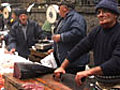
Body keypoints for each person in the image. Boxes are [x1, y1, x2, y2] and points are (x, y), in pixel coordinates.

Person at [54, 0, 120, 88]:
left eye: (105, 11)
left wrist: (89, 72)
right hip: (100, 82)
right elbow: (80, 48)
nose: (100, 15)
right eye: (99, 12)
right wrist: (62, 67)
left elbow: (116, 62)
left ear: (115, 15)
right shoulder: (97, 31)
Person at [48, 0, 89, 74]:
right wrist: (54, 50)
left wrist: (61, 37)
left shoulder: (77, 18)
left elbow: (78, 33)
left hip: (74, 63)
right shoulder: (62, 19)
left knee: (72, 83)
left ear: (64, 8)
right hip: (64, 62)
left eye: (59, 8)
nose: (58, 10)